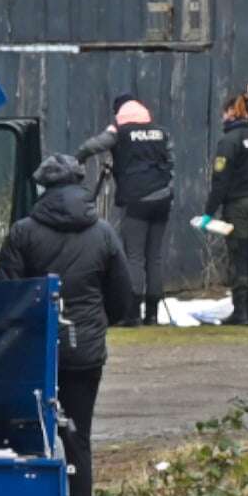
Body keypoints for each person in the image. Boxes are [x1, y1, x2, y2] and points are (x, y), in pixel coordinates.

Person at [0, 154, 133, 496]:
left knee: (26, 434)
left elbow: (4, 292)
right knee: (78, 439)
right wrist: (97, 320)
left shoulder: (24, 232)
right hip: (84, 352)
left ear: (43, 188)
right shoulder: (104, 234)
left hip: (35, 350)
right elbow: (123, 298)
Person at [75, 95, 173, 326]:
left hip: (136, 199)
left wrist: (77, 159)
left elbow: (92, 146)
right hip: (163, 199)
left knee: (134, 257)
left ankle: (132, 314)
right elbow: (171, 163)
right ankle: (152, 314)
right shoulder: (160, 132)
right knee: (154, 257)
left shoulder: (120, 130)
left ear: (119, 112)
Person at [198, 93, 248, 326]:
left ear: (230, 112)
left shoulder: (229, 142)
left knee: (238, 255)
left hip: (238, 205)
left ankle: (240, 312)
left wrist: (208, 212)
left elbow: (220, 180)